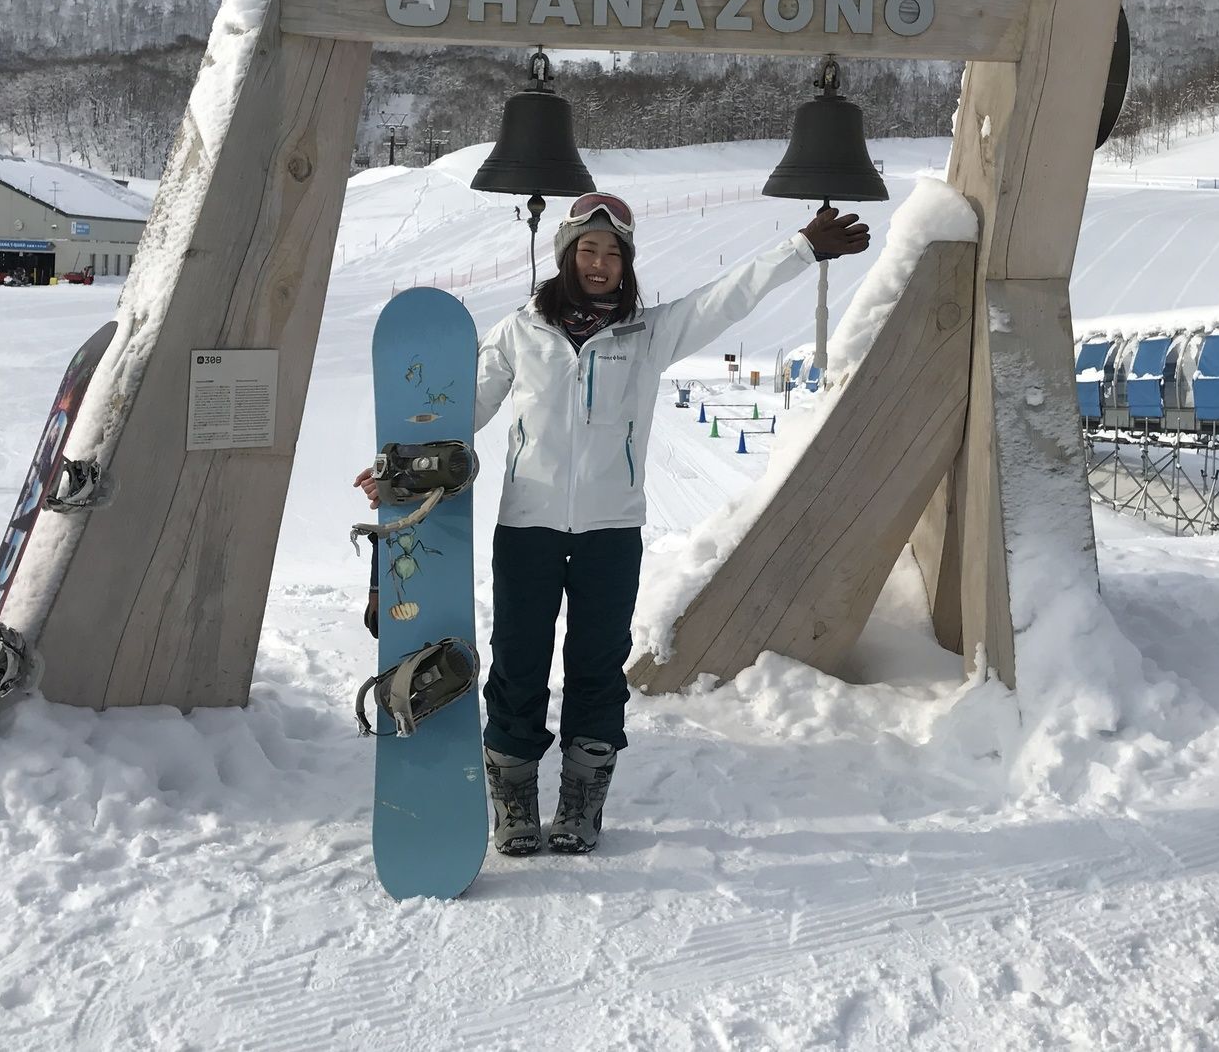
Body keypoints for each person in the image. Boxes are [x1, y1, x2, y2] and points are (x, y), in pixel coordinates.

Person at [355, 191, 869, 857]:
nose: (599, 263)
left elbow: (726, 298)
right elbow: (464, 412)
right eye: (587, 250)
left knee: (597, 665)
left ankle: (580, 798)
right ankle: (513, 798)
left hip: (610, 532)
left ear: (626, 264)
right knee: (519, 662)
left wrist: (801, 249)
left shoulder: (648, 334)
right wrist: (397, 469)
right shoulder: (521, 332)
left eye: (612, 253)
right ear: (567, 255)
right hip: (528, 529)